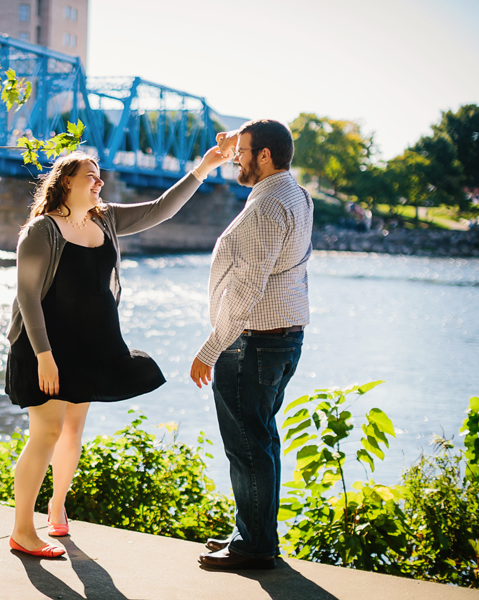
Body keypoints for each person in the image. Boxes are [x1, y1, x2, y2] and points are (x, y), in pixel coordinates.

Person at [6, 148, 228, 557]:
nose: (99, 182)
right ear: (66, 181)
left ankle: (57, 508)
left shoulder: (105, 218)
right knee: (47, 432)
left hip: (92, 343)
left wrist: (204, 168)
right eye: (90, 175)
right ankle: (22, 529)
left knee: (72, 431)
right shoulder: (42, 230)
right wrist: (44, 354)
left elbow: (162, 209)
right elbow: (27, 294)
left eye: (99, 176)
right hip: (46, 347)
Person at [190, 119, 313, 570]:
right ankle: (253, 533)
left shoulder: (264, 208)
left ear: (265, 155)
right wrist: (228, 148)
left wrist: (211, 347)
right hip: (284, 337)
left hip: (252, 344)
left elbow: (248, 285)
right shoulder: (296, 195)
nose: (237, 157)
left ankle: (255, 546)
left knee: (247, 445)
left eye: (244, 151)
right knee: (260, 441)